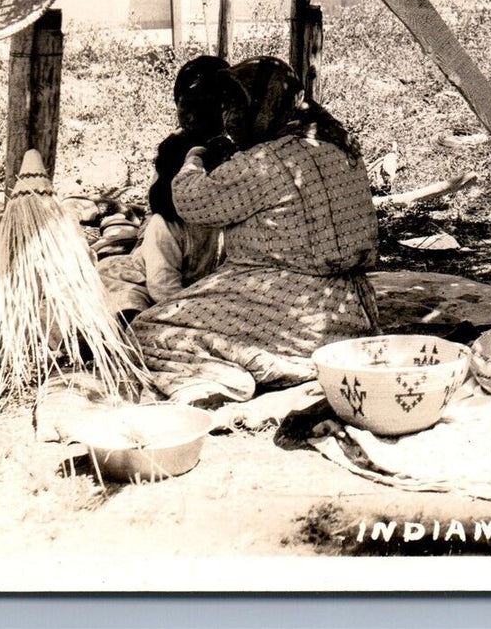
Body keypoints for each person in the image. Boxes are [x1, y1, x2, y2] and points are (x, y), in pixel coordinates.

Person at [129, 57, 380, 406]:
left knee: (150, 329)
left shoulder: (264, 162)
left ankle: (225, 381)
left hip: (284, 300)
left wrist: (196, 158)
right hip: (350, 308)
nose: (230, 115)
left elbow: (190, 201)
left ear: (264, 105)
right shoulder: (340, 145)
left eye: (237, 103)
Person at [99, 56, 232, 320]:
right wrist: (188, 314)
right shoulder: (167, 224)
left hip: (198, 288)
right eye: (186, 107)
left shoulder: (228, 155)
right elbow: (162, 287)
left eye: (201, 108)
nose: (191, 117)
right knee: (126, 298)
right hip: (153, 281)